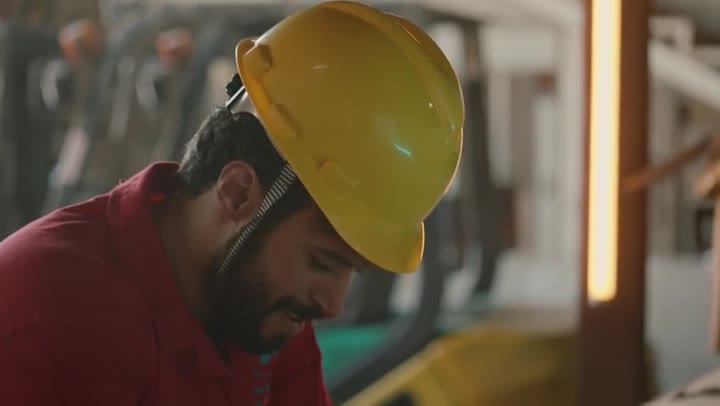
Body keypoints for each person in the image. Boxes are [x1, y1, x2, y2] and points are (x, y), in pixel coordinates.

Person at [0, 1, 464, 405]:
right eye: (323, 261)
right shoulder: (61, 317)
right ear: (238, 193)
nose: (333, 305)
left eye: (352, 271)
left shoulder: (257, 310)